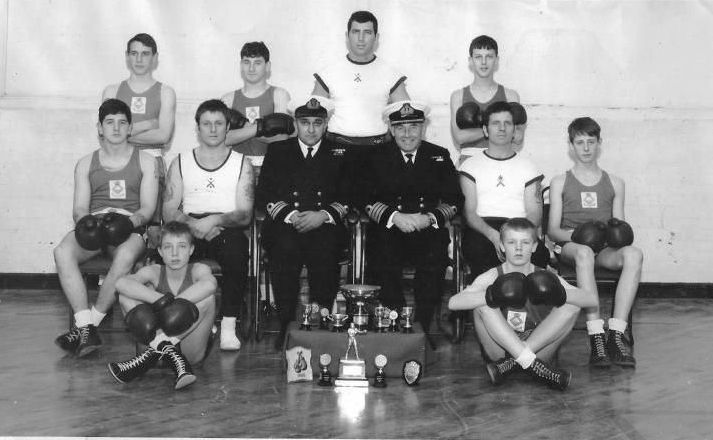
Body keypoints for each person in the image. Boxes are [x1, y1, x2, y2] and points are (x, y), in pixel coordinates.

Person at [53, 99, 158, 357]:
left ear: (130, 128)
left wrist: (128, 222)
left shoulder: (146, 161)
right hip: (95, 226)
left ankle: (91, 324)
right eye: (109, 122)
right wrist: (86, 222)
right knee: (61, 253)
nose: (116, 128)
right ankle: (85, 324)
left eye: (122, 122)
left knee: (124, 255)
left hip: (129, 228)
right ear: (100, 128)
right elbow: (79, 208)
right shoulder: (86, 163)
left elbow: (147, 208)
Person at [449, 218, 598, 390]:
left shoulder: (544, 275)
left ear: (534, 247)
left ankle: (515, 362)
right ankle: (531, 365)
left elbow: (591, 300)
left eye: (525, 242)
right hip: (499, 350)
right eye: (512, 242)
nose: (518, 248)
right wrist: (492, 295)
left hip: (538, 350)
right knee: (482, 303)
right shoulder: (492, 275)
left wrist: (560, 293)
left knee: (571, 304)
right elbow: (453, 303)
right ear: (502, 246)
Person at [547, 117, 643, 368]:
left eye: (591, 142)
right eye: (580, 142)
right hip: (572, 247)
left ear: (600, 144)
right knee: (584, 253)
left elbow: (619, 229)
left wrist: (611, 236)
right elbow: (553, 230)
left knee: (633, 254)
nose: (586, 148)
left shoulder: (615, 183)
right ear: (571, 146)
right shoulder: (560, 181)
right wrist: (582, 236)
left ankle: (616, 334)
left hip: (604, 250)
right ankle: (596, 334)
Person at [257, 98, 350, 349]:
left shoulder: (339, 152)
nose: (311, 129)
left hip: (325, 224)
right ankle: (286, 324)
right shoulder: (279, 151)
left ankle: (320, 323)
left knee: (325, 251)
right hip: (288, 224)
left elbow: (349, 195)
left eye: (318, 123)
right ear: (296, 123)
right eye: (305, 122)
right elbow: (264, 194)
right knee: (284, 250)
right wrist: (290, 215)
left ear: (326, 124)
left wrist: (323, 215)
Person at [362, 101, 461, 337]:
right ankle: (394, 326)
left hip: (425, 227)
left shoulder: (438, 155)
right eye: (401, 127)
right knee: (383, 258)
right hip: (389, 227)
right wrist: (394, 216)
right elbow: (363, 198)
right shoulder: (375, 157)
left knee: (435, 261)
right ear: (392, 129)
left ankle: (422, 326)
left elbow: (455, 200)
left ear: (423, 127)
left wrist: (429, 218)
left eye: (414, 126)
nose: (407, 134)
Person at [163, 99, 254, 351]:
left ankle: (227, 325)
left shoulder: (242, 163)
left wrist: (214, 220)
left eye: (218, 124)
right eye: (206, 124)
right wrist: (195, 224)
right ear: (198, 128)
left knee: (237, 252)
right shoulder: (180, 161)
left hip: (225, 226)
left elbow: (245, 214)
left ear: (227, 128)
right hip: (189, 225)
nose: (212, 129)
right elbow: (169, 210)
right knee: (172, 249)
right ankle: (171, 321)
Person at [312, 10, 410, 202]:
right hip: (336, 151)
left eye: (367, 32)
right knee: (335, 210)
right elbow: (313, 118)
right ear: (347, 36)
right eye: (356, 32)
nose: (361, 38)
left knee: (379, 211)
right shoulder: (329, 72)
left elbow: (407, 118)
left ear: (377, 37)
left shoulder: (390, 73)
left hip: (378, 152)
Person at [109, 221, 217, 390]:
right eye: (168, 247)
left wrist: (173, 306)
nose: (175, 253)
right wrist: (160, 300)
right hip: (153, 338)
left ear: (191, 250)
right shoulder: (154, 271)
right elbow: (121, 284)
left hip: (188, 349)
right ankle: (167, 351)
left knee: (207, 298)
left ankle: (155, 353)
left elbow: (210, 285)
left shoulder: (198, 269)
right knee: (125, 296)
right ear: (160, 251)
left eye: (181, 246)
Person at [102, 33, 177, 251]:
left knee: (151, 223)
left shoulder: (165, 92)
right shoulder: (112, 91)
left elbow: (163, 136)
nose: (139, 59)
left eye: (145, 54)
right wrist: (148, 124)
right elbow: (106, 134)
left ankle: (149, 274)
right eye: (134, 53)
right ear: (127, 57)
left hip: (151, 161)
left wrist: (122, 133)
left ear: (154, 58)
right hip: (118, 160)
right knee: (115, 218)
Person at [459, 101, 548, 280]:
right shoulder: (469, 166)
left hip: (520, 227)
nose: (502, 128)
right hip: (483, 230)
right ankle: (484, 306)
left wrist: (515, 239)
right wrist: (494, 237)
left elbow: (535, 213)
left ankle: (525, 307)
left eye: (507, 123)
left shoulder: (529, 167)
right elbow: (469, 213)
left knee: (540, 256)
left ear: (514, 130)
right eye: (495, 123)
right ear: (485, 130)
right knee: (480, 253)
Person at [221, 41, 293, 173]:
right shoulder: (228, 99)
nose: (251, 68)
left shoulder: (279, 94)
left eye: (257, 63)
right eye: (247, 62)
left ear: (267, 66)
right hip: (237, 166)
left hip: (272, 165)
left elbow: (282, 138)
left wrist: (243, 127)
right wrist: (261, 128)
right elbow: (223, 138)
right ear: (241, 65)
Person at [449, 35, 520, 160]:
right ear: (470, 61)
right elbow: (459, 138)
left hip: (502, 159)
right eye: (478, 57)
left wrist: (480, 130)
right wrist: (496, 129)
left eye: (489, 56)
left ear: (496, 60)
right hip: (469, 161)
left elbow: (518, 137)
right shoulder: (458, 96)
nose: (483, 62)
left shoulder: (510, 95)